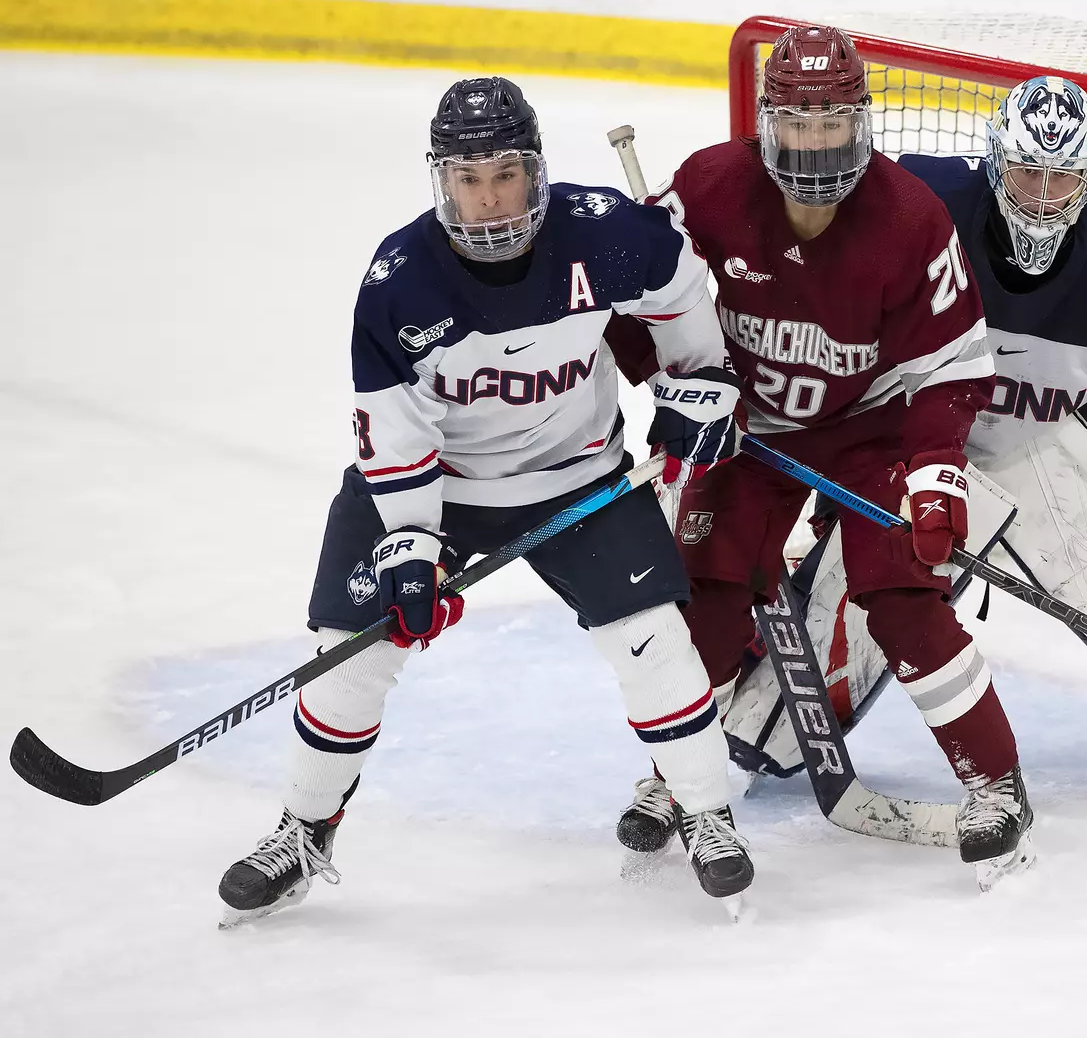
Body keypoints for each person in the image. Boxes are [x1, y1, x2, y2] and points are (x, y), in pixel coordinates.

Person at [216, 76, 752, 926]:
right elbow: (395, 433)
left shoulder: (604, 232)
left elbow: (680, 291)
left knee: (653, 640)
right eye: (469, 179)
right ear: (443, 181)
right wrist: (410, 547)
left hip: (579, 479)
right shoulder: (400, 281)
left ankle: (706, 813)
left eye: (506, 174)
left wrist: (702, 380)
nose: (490, 198)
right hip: (438, 488)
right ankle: (304, 830)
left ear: (536, 171)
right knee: (348, 657)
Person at [719, 76, 1087, 784]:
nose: (1041, 196)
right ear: (993, 160)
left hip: (1043, 451)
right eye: (1026, 171)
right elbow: (811, 308)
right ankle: (764, 724)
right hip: (911, 458)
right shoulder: (917, 209)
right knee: (769, 732)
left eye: (1061, 176)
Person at [609, 25, 1035, 883]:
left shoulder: (911, 217)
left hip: (870, 428)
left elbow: (952, 370)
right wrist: (676, 388)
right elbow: (635, 314)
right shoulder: (708, 187)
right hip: (748, 428)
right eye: (799, 125)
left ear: (861, 122)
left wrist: (935, 478)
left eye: (833, 123)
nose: (816, 145)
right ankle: (679, 777)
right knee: (707, 603)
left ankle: (995, 782)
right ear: (768, 124)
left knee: (903, 596)